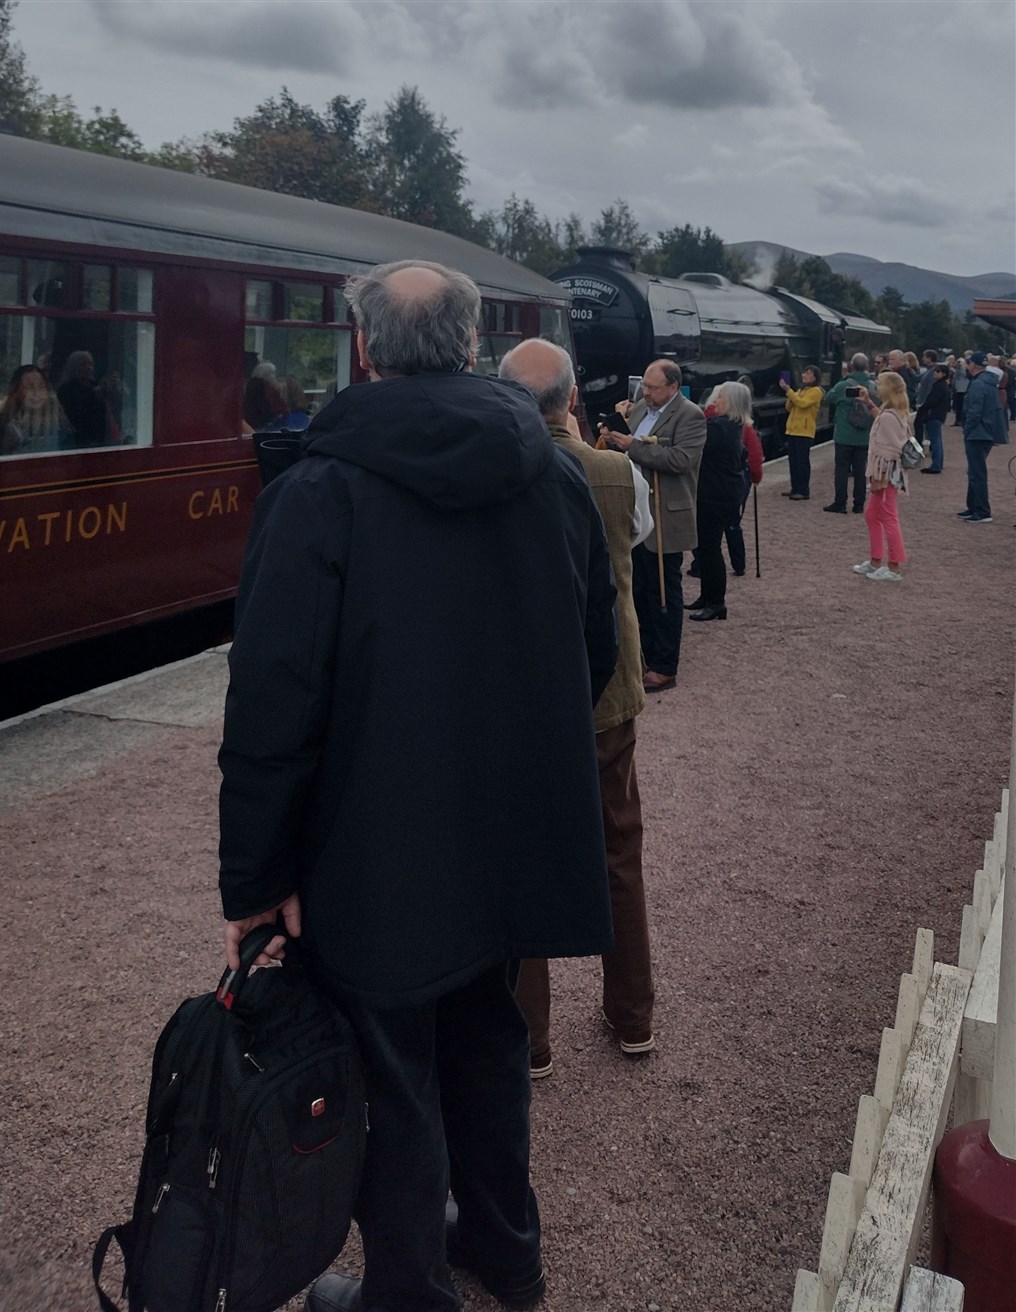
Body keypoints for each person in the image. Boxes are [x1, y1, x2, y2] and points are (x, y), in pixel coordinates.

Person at [217, 259, 618, 1312]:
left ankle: (406, 1291)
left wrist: (255, 881)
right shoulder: (557, 472)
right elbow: (596, 653)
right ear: (474, 347)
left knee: (392, 1071)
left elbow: (272, 705)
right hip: (513, 833)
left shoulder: (318, 489)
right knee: (487, 1036)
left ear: (362, 349)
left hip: (376, 841)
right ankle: (507, 1250)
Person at [499, 338, 656, 1075]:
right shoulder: (617, 468)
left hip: (528, 695)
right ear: (570, 400)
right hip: (612, 686)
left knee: (520, 858)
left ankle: (530, 1040)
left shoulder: (498, 476)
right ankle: (633, 1017)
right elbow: (639, 542)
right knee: (619, 851)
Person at [600, 358, 706, 693]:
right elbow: (630, 443)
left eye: (652, 387)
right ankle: (642, 656)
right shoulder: (641, 408)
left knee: (664, 592)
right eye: (644, 385)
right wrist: (615, 435)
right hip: (635, 512)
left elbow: (681, 460)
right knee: (638, 590)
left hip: (665, 516)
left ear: (673, 387)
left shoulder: (691, 415)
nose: (645, 392)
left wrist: (634, 446)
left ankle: (664, 666)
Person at [687, 382, 749, 621]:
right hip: (723, 493)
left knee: (709, 548)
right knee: (707, 547)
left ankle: (716, 602)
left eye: (720, 398)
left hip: (714, 495)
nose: (715, 401)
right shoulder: (732, 426)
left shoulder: (719, 428)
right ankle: (708, 596)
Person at [852, 371, 911, 581]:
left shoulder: (889, 415)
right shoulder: (893, 412)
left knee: (888, 517)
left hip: (885, 474)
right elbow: (883, 422)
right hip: (888, 473)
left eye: (879, 382)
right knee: (873, 515)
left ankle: (893, 567)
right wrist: (868, 403)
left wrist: (878, 478)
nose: (876, 384)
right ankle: (876, 560)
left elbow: (891, 450)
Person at [958, 351, 1008, 523]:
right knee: (975, 471)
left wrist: (967, 429)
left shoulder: (979, 384)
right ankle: (973, 507)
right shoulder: (988, 382)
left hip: (978, 433)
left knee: (977, 472)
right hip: (985, 432)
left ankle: (982, 511)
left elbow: (974, 410)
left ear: (972, 365)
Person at [823, 353, 873, 513]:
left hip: (844, 435)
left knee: (841, 470)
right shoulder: (872, 385)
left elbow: (829, 397)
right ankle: (859, 504)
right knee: (860, 470)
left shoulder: (843, 386)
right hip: (864, 436)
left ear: (851, 366)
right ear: (867, 367)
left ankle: (840, 503)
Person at [0, 363, 65, 456]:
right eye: (30, 386)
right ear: (16, 390)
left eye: (41, 386)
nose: (36, 392)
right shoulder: (8, 423)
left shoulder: (57, 418)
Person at [779, 365, 824, 499]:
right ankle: (795, 487)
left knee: (802, 461)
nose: (804, 375)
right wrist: (792, 394)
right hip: (793, 430)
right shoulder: (801, 390)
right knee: (793, 461)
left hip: (804, 431)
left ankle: (804, 490)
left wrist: (789, 391)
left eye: (808, 373)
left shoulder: (816, 391)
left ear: (815, 377)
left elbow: (803, 404)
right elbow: (788, 406)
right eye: (804, 373)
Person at [56, 351, 117, 446]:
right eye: (83, 364)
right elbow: (76, 410)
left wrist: (112, 391)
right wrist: (96, 392)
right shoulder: (66, 389)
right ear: (73, 367)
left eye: (91, 364)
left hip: (101, 441)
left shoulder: (94, 384)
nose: (88, 367)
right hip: (78, 442)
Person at [918, 363, 951, 474]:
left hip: (934, 415)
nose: (935, 373)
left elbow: (932, 401)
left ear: (944, 374)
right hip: (939, 415)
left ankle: (936, 465)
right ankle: (938, 464)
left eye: (938, 371)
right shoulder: (943, 385)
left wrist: (922, 407)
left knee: (935, 441)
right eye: (935, 371)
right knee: (937, 440)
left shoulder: (939, 386)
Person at [912, 350, 939, 447]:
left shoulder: (933, 371)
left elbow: (930, 388)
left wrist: (925, 402)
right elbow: (917, 378)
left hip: (925, 403)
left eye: (925, 357)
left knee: (922, 426)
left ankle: (925, 445)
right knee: (920, 425)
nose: (923, 358)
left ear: (929, 358)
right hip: (923, 402)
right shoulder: (929, 370)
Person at [952, 357, 970, 425]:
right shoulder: (957, 369)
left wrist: (962, 367)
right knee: (958, 406)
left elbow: (965, 375)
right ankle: (957, 420)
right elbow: (955, 377)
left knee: (963, 405)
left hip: (964, 389)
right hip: (958, 389)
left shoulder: (966, 369)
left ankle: (962, 420)